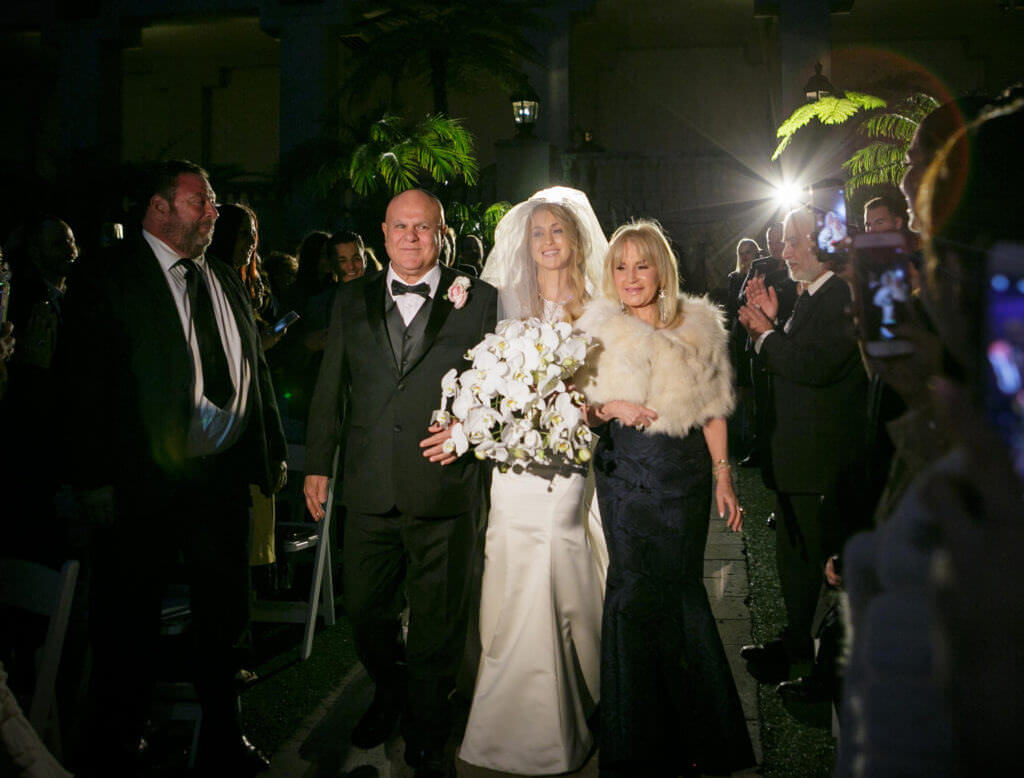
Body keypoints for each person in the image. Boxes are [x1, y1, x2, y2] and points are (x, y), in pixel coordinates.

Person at [58, 160, 287, 776]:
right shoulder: (110, 275)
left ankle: (222, 735)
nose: (214, 212)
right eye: (201, 202)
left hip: (218, 477)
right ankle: (119, 740)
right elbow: (84, 386)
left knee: (223, 612)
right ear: (159, 209)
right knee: (130, 609)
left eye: (211, 204)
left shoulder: (221, 277)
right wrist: (93, 477)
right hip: (142, 479)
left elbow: (251, 373)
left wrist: (269, 450)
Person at [303, 189, 497, 778]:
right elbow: (331, 384)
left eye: (424, 228)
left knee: (440, 621)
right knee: (366, 613)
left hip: (443, 483)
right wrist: (318, 462)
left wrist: (470, 427)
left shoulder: (480, 301)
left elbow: (497, 385)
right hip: (367, 485)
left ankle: (425, 723)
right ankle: (390, 689)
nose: (412, 237)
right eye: (401, 227)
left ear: (442, 235)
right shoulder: (349, 300)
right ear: (383, 233)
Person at [574, 219, 754, 777]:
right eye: (620, 266)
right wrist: (608, 409)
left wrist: (723, 475)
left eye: (641, 265)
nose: (630, 277)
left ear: (662, 270)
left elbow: (714, 408)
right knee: (630, 595)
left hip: (683, 481)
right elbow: (582, 408)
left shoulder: (699, 326)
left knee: (680, 591)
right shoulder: (596, 328)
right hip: (625, 478)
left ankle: (700, 737)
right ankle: (632, 745)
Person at [458, 187, 608, 775]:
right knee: (510, 557)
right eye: (538, 233)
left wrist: (576, 407)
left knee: (555, 555)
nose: (547, 242)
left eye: (557, 232)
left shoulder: (600, 306)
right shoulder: (507, 303)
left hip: (569, 463)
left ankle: (578, 696)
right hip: (512, 466)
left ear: (575, 240)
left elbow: (609, 383)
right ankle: (513, 707)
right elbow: (487, 384)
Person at [737, 207, 868, 684]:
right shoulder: (810, 297)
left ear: (826, 244)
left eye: (795, 240)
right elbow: (785, 368)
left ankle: (821, 665)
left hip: (820, 462)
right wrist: (769, 326)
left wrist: (767, 333)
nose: (785, 250)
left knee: (821, 564)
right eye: (785, 240)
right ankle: (795, 643)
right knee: (795, 560)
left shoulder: (840, 297)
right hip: (796, 459)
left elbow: (814, 367)